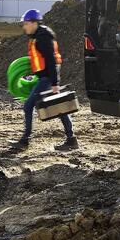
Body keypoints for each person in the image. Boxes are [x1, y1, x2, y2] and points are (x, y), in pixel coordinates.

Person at [14, 9, 78, 151]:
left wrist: (55, 83)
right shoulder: (37, 35)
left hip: (47, 79)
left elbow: (51, 61)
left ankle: (25, 140)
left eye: (25, 24)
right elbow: (40, 61)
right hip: (44, 77)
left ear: (33, 23)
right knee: (59, 107)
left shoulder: (43, 37)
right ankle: (71, 139)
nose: (24, 27)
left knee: (28, 106)